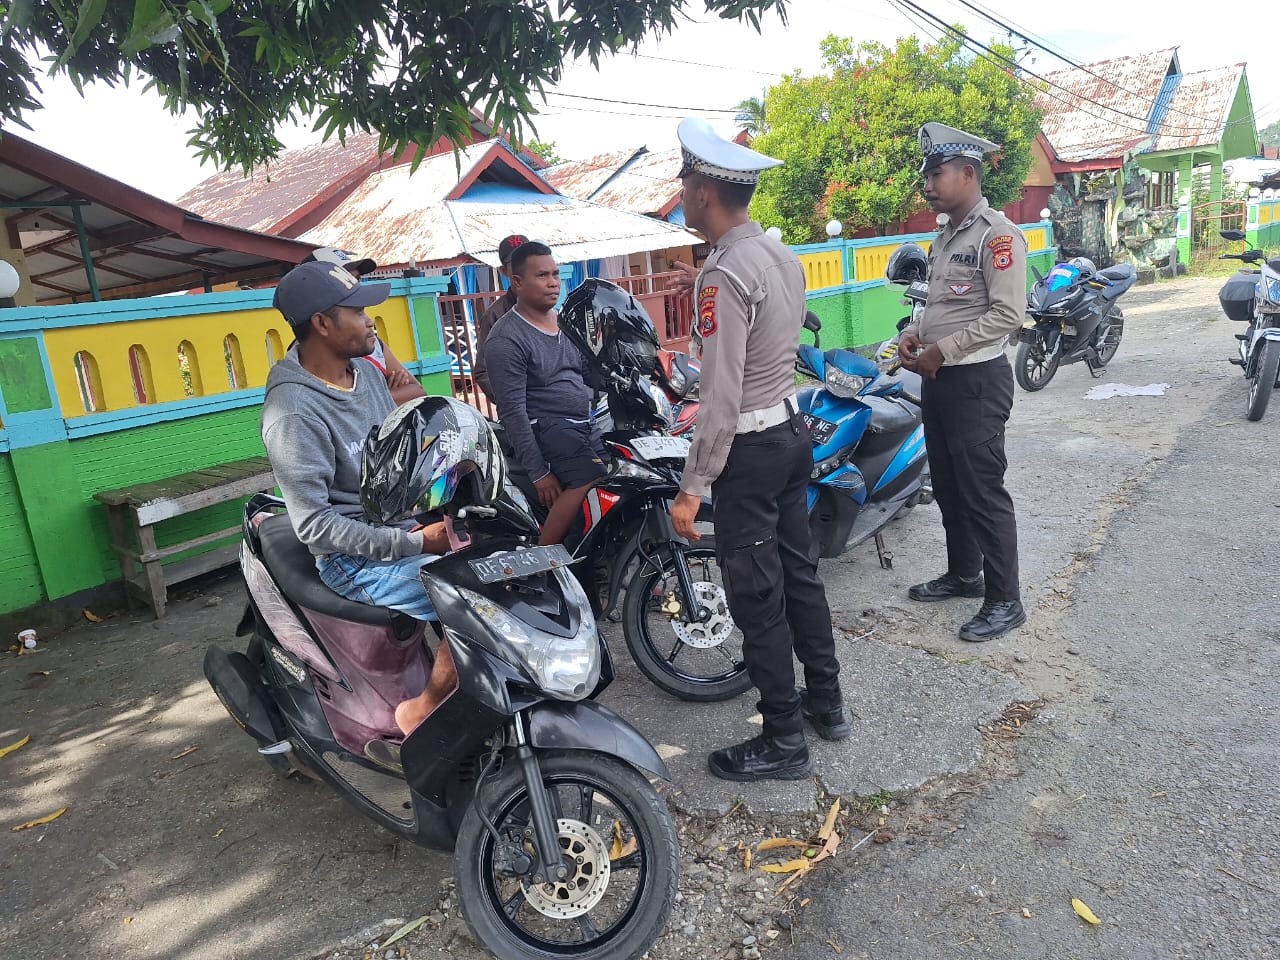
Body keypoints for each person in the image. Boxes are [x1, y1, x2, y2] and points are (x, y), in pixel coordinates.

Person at [667, 117, 846, 783]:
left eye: (685, 181)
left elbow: (720, 397)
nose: (682, 193)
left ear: (706, 191)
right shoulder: (780, 256)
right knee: (800, 575)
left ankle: (782, 740)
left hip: (750, 450)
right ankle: (826, 704)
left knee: (758, 594)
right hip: (792, 434)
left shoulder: (722, 276)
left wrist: (692, 486)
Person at [260, 261, 457, 751]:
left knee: (509, 572)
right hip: (354, 561)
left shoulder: (366, 376)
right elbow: (316, 526)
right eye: (359, 310)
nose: (372, 320)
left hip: (400, 533)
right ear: (323, 324)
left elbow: (396, 459)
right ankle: (422, 711)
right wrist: (411, 541)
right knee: (472, 605)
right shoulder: (293, 411)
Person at [897, 122, 1027, 643]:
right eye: (927, 175)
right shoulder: (944, 236)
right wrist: (912, 334)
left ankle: (1005, 600)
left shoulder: (997, 235)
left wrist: (942, 351)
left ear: (968, 173)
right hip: (941, 381)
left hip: (976, 381)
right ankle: (965, 574)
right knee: (949, 486)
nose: (928, 184)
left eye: (937, 174)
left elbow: (1008, 315)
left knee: (983, 492)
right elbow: (938, 306)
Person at [482, 241, 607, 546]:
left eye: (555, 274)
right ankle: (543, 562)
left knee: (622, 473)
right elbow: (512, 411)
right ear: (518, 282)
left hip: (581, 423)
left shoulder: (565, 323)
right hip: (546, 427)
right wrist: (539, 473)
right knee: (588, 478)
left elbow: (588, 372)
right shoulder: (506, 337)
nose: (553, 282)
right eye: (542, 276)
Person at [302, 246, 426, 405]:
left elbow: (418, 392)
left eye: (357, 279)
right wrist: (384, 395)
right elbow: (334, 407)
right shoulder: (306, 356)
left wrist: (376, 397)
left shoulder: (370, 340)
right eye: (346, 279)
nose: (355, 286)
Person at [472, 234, 529, 403]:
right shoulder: (495, 315)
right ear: (504, 271)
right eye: (516, 264)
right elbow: (483, 371)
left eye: (527, 260)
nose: (524, 268)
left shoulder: (551, 309)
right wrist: (514, 403)